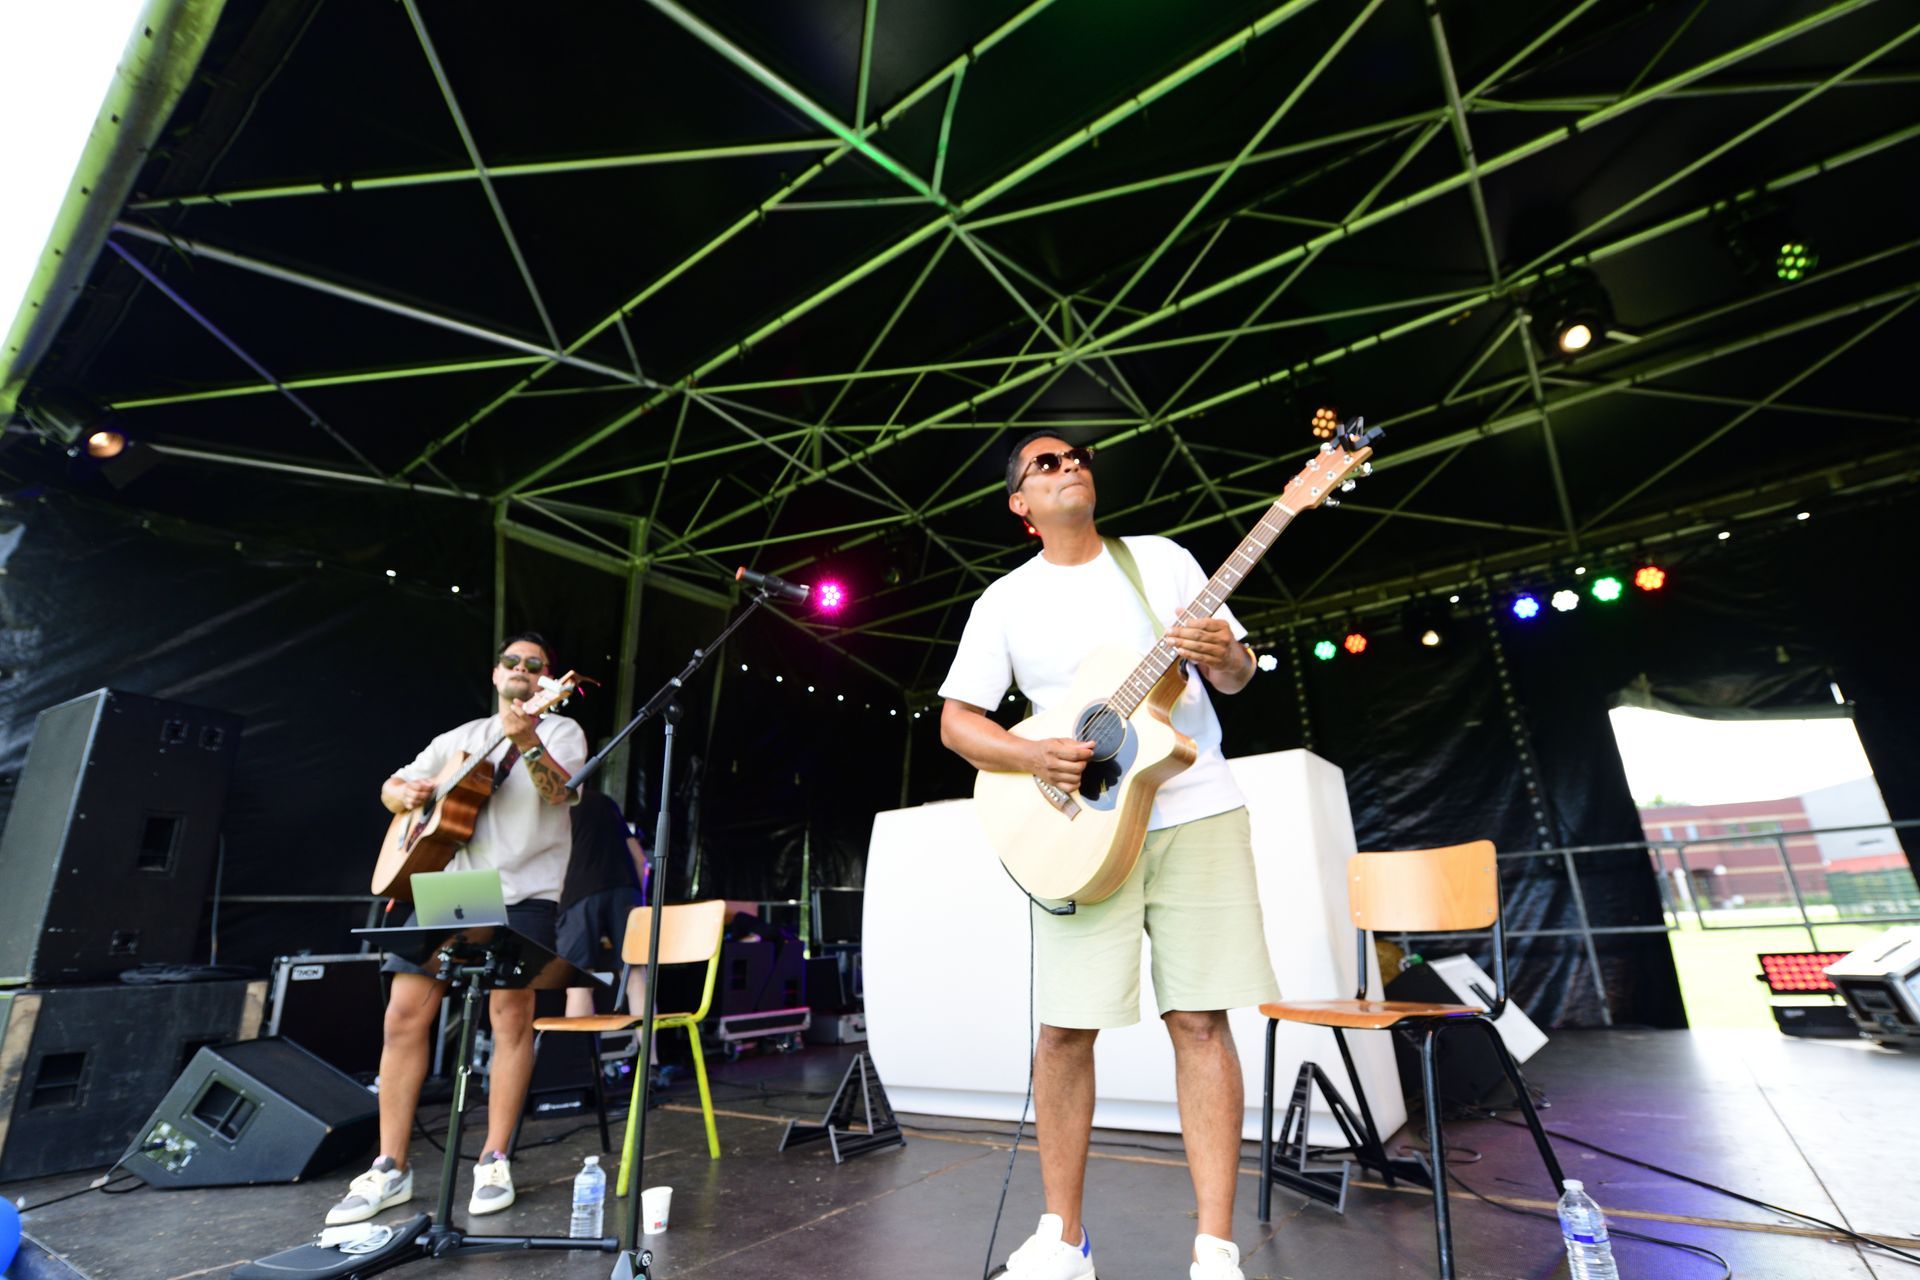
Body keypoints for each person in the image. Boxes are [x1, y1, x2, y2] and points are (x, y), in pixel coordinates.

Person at [938, 433, 1280, 1280]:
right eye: (1045, 464)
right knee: (1062, 1034)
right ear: (1019, 503)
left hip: (1196, 808)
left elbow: (1236, 677)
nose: (1069, 467)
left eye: (1078, 456)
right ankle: (1063, 1240)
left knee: (1201, 1020)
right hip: (1079, 828)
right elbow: (958, 722)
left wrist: (1225, 655)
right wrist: (1034, 755)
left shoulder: (1161, 561)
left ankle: (1215, 1249)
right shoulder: (1005, 601)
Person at [326, 632, 587, 1227]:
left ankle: (494, 1158)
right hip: (449, 886)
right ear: (496, 673)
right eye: (512, 661)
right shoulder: (457, 738)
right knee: (403, 1016)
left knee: (510, 1017)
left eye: (534, 664)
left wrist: (530, 743)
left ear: (547, 679)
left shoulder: (562, 731)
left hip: (521, 890)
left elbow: (559, 792)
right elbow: (392, 787)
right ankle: (390, 1165)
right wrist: (405, 795)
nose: (522, 669)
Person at [559, 788, 648, 1019]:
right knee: (636, 975)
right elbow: (640, 859)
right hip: (626, 889)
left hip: (578, 892)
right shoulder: (604, 801)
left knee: (579, 981)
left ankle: (580, 1054)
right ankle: (651, 1055)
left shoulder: (554, 803)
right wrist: (640, 904)